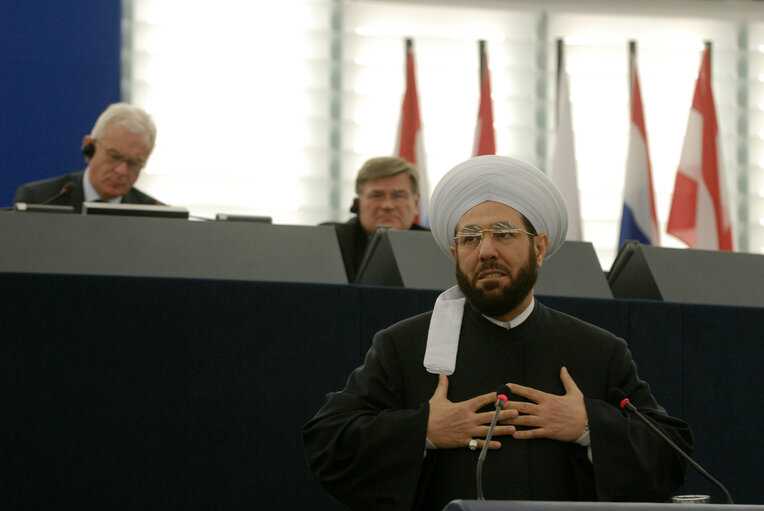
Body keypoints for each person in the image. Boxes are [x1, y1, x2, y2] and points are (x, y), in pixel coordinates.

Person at [303, 155, 692, 510]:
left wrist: (589, 426)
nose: (485, 250)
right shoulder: (404, 346)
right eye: (469, 238)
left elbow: (671, 456)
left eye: (503, 233)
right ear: (455, 255)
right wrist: (423, 429)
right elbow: (329, 443)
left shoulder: (596, 350)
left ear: (539, 248)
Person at [14, 102, 163, 211]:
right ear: (89, 148)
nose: (121, 171)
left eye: (134, 163)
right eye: (114, 156)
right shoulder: (40, 200)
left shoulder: (156, 215)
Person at [323, 156, 429, 282]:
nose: (388, 205)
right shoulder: (332, 240)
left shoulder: (433, 246)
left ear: (416, 204)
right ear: (358, 204)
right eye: (377, 196)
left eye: (399, 196)